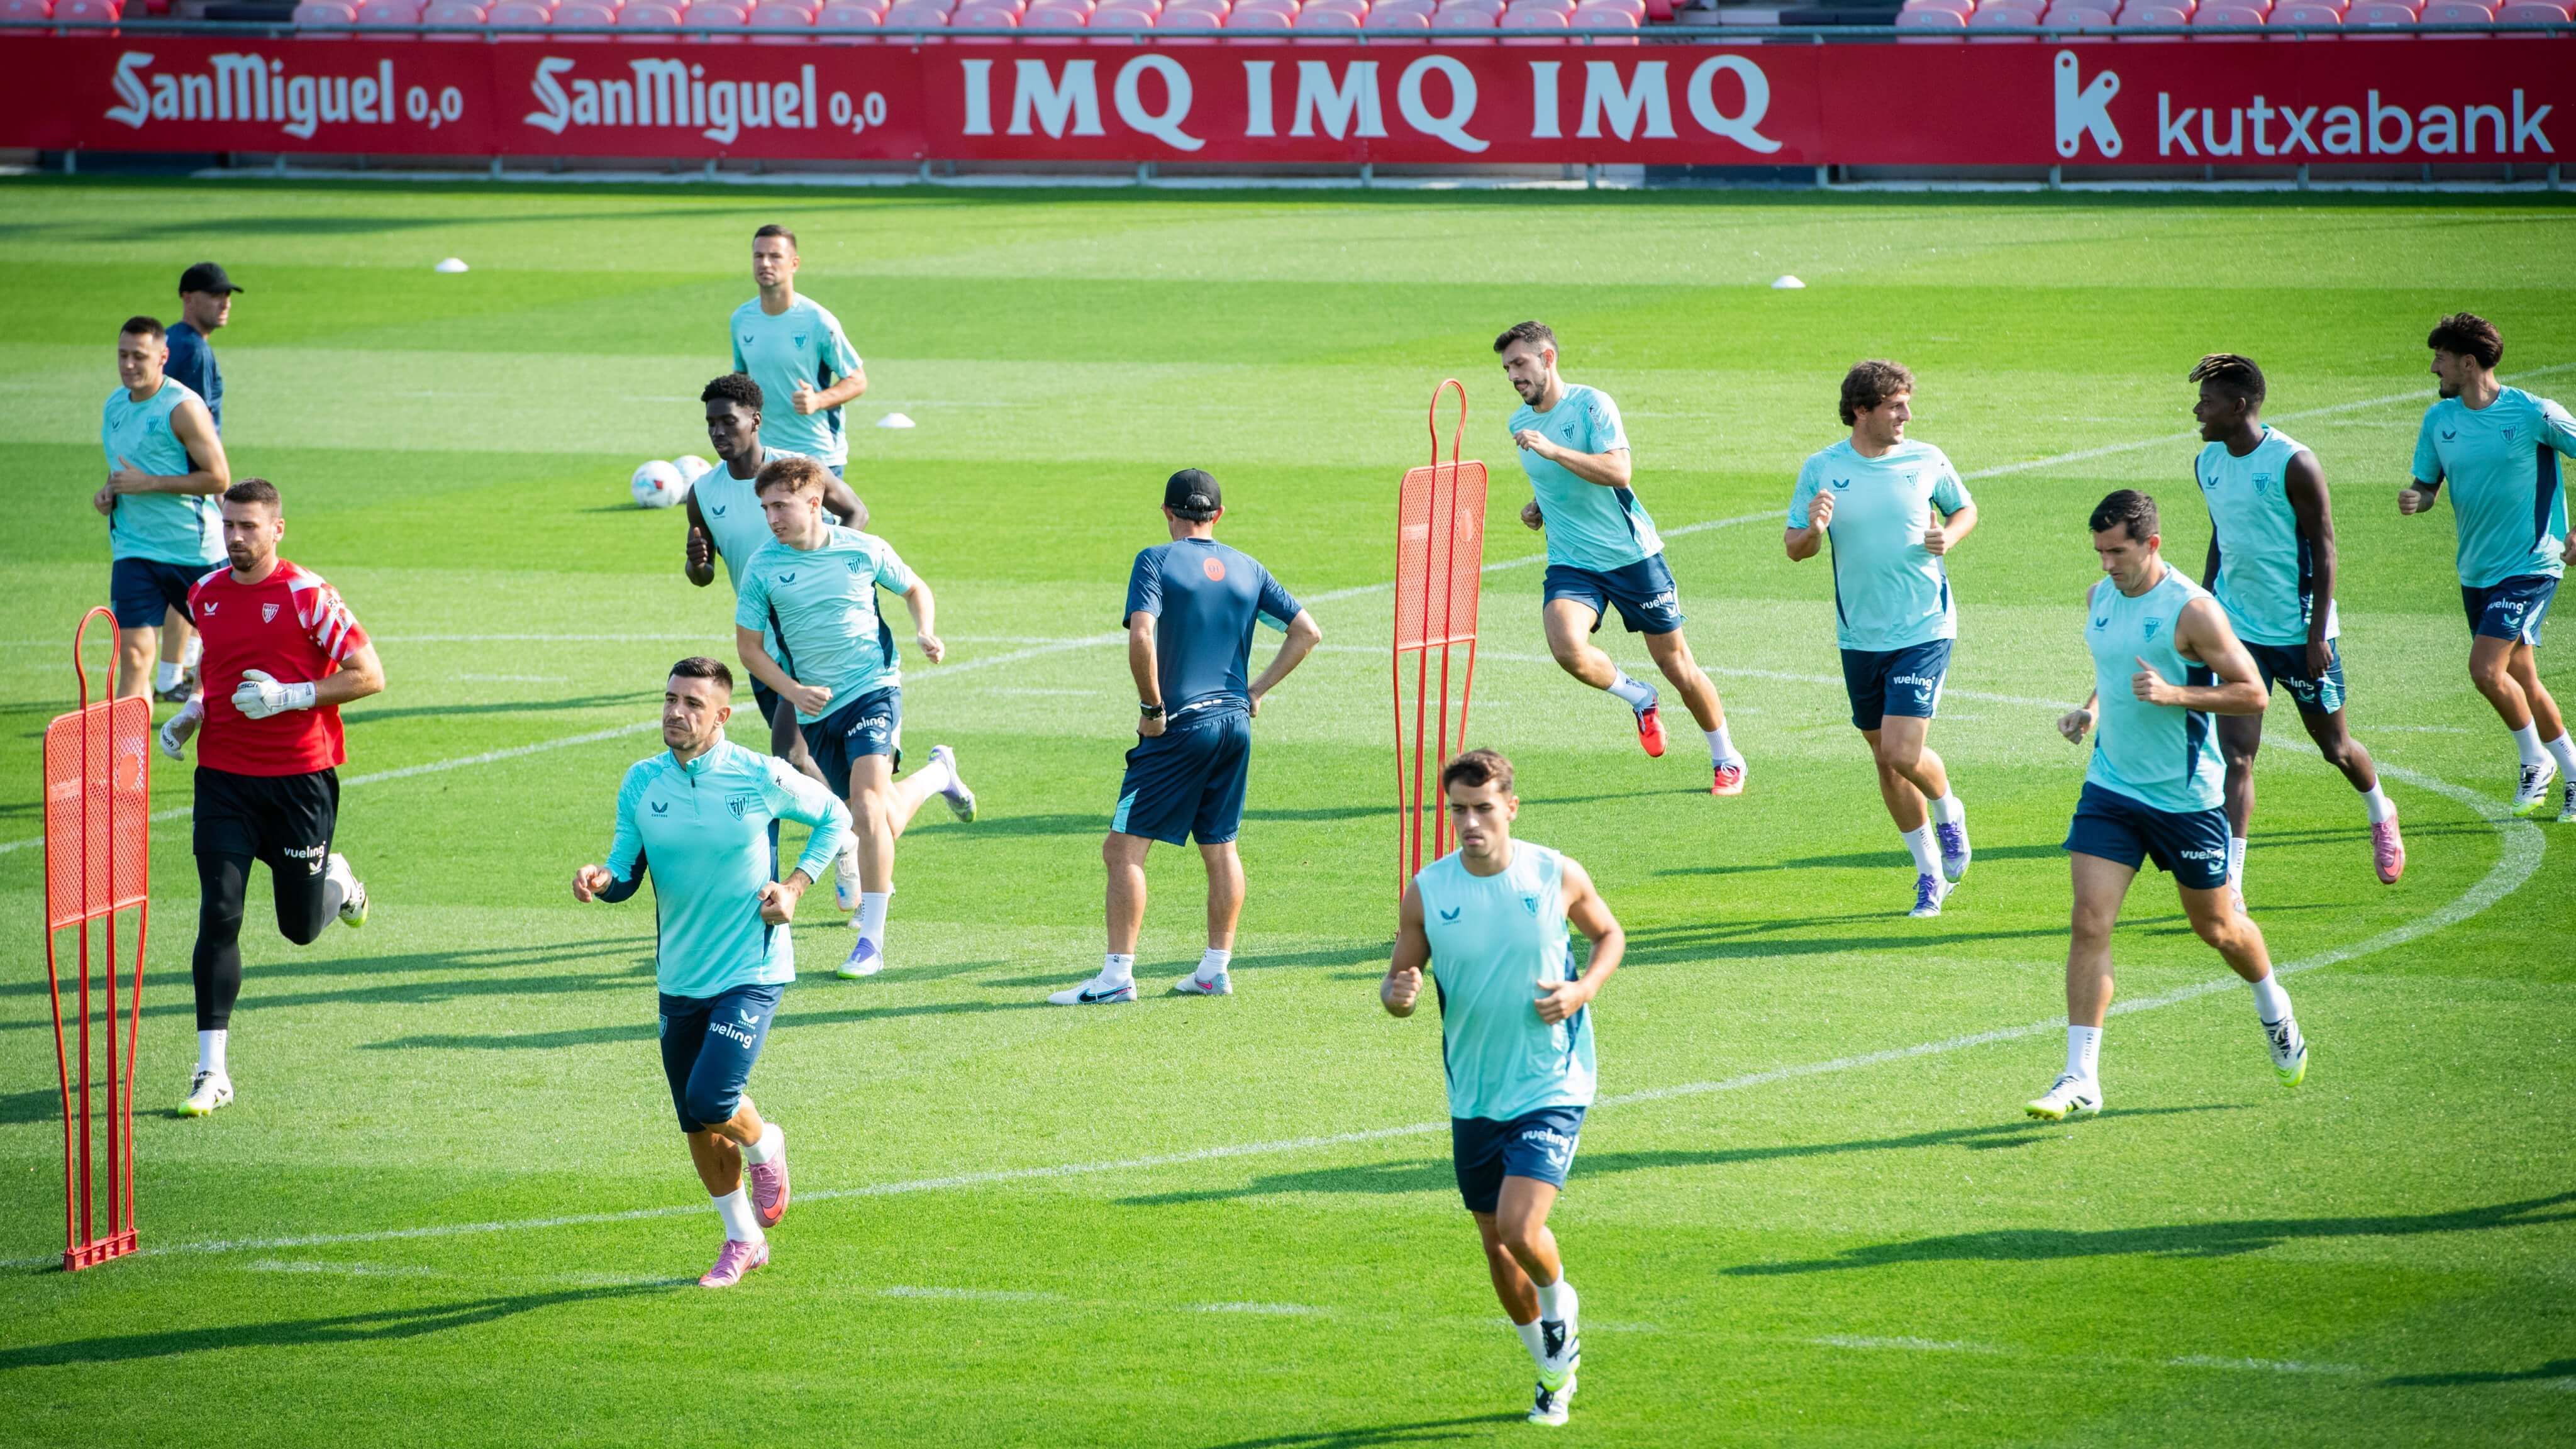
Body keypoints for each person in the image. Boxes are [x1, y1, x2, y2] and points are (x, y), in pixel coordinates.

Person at [573, 658, 852, 1289]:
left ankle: (765, 1144)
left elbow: (836, 816)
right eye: (670, 699)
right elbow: (625, 868)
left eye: (693, 703)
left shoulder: (759, 775)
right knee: (695, 1123)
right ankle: (742, 1238)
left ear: (722, 715)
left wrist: (797, 887)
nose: (676, 712)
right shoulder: (641, 782)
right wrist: (601, 879)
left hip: (751, 968)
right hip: (679, 976)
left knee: (712, 1099)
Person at [2031, 491, 2307, 1122]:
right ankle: (2080, 1078)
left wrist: (2175, 694)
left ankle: (2273, 1008)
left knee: (2217, 930)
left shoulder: (2193, 610)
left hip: (2185, 801)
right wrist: (2091, 710)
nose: (2106, 565)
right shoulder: (2100, 598)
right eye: (2099, 552)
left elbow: (2251, 693)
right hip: (2111, 789)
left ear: (2151, 544)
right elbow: (2116, 669)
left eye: (2118, 552)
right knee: (2088, 922)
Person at [1379, 748, 1622, 1428]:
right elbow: (1401, 984)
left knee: (1520, 1228)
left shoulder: (1553, 873)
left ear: (1510, 807)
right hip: (1474, 1093)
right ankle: (1551, 1370)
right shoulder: (1429, 889)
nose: (1469, 822)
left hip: (1551, 1081)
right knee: (1494, 1245)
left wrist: (1582, 989)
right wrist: (1397, 993)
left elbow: (1609, 935)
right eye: (1457, 809)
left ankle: (1557, 1305)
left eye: (1482, 808)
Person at [1047, 470, 1322, 1006]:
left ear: (1168, 512)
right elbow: (1308, 631)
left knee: (1123, 850)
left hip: (1180, 726)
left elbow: (1143, 632)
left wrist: (1152, 708)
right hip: (1234, 725)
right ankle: (1214, 969)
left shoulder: (1156, 560)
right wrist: (1255, 690)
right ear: (1218, 515)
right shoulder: (1248, 567)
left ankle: (1116, 977)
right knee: (1220, 846)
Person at [155, 479, 383, 1118]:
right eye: (228, 525)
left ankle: (338, 882)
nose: (235, 537)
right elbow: (219, 672)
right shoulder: (205, 594)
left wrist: (292, 695)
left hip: (299, 783)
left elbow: (370, 674)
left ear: (277, 529)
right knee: (220, 912)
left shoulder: (309, 595)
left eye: (249, 526)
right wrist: (193, 714)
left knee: (298, 928)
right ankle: (212, 1070)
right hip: (224, 778)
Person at [733, 455, 973, 980]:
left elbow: (915, 588)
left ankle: (872, 940)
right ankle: (939, 775)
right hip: (818, 709)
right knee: (874, 819)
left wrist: (925, 630)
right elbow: (749, 650)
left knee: (864, 809)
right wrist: (793, 691)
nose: (771, 517)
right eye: (765, 507)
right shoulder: (763, 567)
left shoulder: (863, 550)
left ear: (814, 503)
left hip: (874, 689)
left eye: (782, 505)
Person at [1495, 321, 1746, 794]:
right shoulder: (1518, 423)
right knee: (1568, 649)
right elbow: (1553, 482)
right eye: (1507, 368)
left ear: (1548, 358)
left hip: (1631, 557)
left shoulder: (1592, 405)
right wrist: (1538, 508)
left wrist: (1553, 449)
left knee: (1678, 666)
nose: (1513, 376)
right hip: (1573, 561)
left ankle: (1727, 757)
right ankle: (1639, 697)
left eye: (1521, 364)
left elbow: (1618, 470)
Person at [2189, 353, 2405, 904]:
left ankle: (2381, 810)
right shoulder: (2208, 463)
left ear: (2238, 407)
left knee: (2335, 748)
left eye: (2207, 402)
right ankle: (2232, 883)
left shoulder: (2294, 463)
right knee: (2237, 756)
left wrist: (2315, 636)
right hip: (2239, 632)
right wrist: (2207, 606)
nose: (2197, 412)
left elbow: (2326, 550)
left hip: (2302, 634)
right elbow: (2224, 534)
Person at [1785, 361, 1978, 918]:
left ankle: (1949, 814)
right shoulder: (1822, 469)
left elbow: (1964, 507)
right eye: (1896, 405)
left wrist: (1951, 535)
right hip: (1859, 635)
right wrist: (1816, 530)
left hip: (1924, 626)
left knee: (1901, 750)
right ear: (1862, 410)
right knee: (1885, 761)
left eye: (1907, 404)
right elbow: (1795, 547)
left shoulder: (1927, 459)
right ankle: (1929, 876)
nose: (1907, 415)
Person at [682, 373, 870, 895]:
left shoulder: (797, 472)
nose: (719, 432)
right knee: (805, 760)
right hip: (761, 644)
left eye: (728, 421)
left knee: (789, 754)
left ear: (755, 422)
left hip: (810, 635)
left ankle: (846, 844)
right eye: (711, 424)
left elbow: (855, 511)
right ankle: (856, 832)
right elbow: (703, 576)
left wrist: (835, 576)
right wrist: (697, 564)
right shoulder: (703, 492)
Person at [2399, 313, 2576, 823]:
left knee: (2485, 671)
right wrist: (2418, 496)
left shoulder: (2533, 415)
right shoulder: (2440, 421)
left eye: (2441, 359)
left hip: (2531, 565)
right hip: (2477, 570)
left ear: (2468, 362)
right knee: (2522, 676)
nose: (2435, 368)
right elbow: (2428, 484)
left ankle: (2533, 760)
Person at [97, 316, 228, 703]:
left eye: (139, 356)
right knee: (135, 657)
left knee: (226, 647)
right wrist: (108, 491)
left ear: (163, 357)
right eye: (122, 355)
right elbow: (123, 462)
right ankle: (129, 760)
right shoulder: (114, 405)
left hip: (192, 550)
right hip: (134, 549)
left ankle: (218, 721)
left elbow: (219, 478)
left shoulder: (183, 407)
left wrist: (150, 484)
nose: (128, 365)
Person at [155, 262, 242, 702]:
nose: (224, 302)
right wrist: (216, 487)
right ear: (188, 297)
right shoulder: (194, 351)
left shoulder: (171, 342)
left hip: (179, 481)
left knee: (191, 578)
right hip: (194, 486)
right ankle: (173, 676)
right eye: (214, 295)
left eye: (227, 295)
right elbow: (198, 425)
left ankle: (180, 669)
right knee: (201, 580)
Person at [731, 225, 866, 479]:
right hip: (766, 453)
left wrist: (818, 400)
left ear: (794, 264)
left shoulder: (818, 321)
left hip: (817, 454)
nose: (766, 263)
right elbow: (742, 379)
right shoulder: (742, 319)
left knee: (819, 521)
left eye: (775, 256)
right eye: (759, 256)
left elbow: (858, 380)